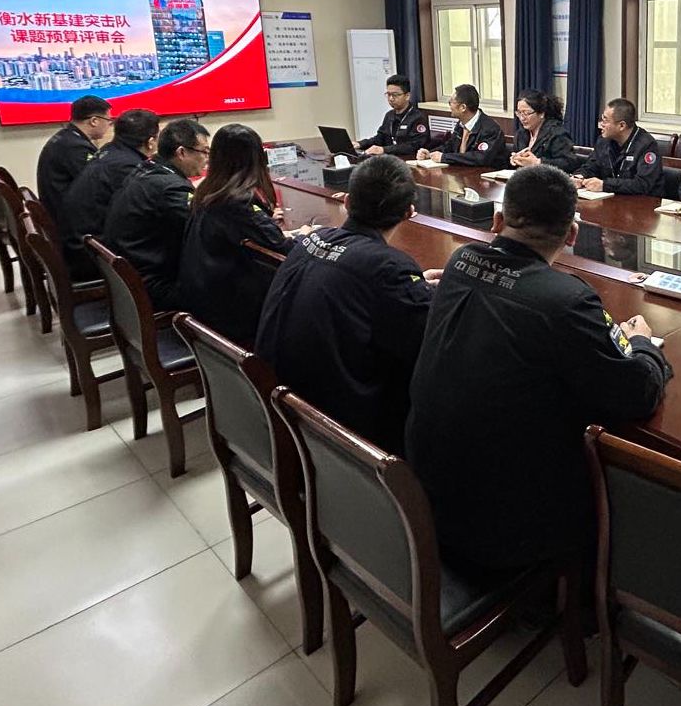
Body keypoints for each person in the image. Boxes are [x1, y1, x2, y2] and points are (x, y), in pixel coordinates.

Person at [406, 164, 673, 571]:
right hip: (501, 524)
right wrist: (641, 345)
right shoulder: (565, 299)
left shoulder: (460, 262)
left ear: (498, 221)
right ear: (572, 234)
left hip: (426, 491)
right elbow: (637, 394)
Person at [256, 156, 439, 454]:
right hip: (336, 425)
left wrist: (414, 286)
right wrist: (425, 292)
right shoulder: (389, 268)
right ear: (409, 212)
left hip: (278, 400)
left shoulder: (312, 240)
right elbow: (429, 344)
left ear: (348, 202)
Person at [179, 124, 296, 346]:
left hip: (203, 301)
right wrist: (307, 235)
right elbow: (284, 249)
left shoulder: (207, 192)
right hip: (230, 316)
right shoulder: (236, 202)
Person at [102, 118, 210, 310]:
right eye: (204, 152)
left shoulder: (145, 170)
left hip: (130, 278)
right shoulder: (170, 187)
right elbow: (204, 230)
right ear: (182, 153)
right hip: (154, 287)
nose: (207, 158)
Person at [61, 108, 160, 281]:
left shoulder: (111, 151)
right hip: (93, 257)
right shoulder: (128, 167)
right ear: (151, 142)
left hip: (79, 243)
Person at [36, 95, 111, 229]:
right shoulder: (76, 147)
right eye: (108, 120)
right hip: (69, 222)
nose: (109, 125)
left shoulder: (65, 137)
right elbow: (95, 188)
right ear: (94, 121)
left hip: (58, 210)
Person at [571, 98, 665, 196]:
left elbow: (642, 184)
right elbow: (591, 166)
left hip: (644, 201)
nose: (601, 125)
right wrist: (579, 177)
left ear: (621, 126)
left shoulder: (646, 145)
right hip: (613, 199)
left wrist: (605, 185)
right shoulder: (603, 141)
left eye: (605, 120)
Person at [415, 84, 507, 167]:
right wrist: (430, 154)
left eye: (451, 102)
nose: (449, 106)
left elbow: (480, 158)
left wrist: (444, 158)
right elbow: (450, 146)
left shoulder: (490, 129)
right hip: (462, 173)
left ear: (463, 107)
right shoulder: (461, 124)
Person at [357, 74, 429, 158]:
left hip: (408, 160)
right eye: (388, 94)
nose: (391, 98)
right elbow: (380, 138)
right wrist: (360, 144)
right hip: (390, 159)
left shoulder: (418, 118)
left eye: (395, 95)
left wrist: (384, 150)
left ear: (407, 96)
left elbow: (414, 146)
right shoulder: (389, 115)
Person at [509, 89, 576, 170]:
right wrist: (515, 159)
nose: (522, 118)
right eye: (519, 113)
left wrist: (538, 162)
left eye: (526, 113)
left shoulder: (557, 134)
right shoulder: (521, 134)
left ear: (541, 113)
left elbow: (568, 163)